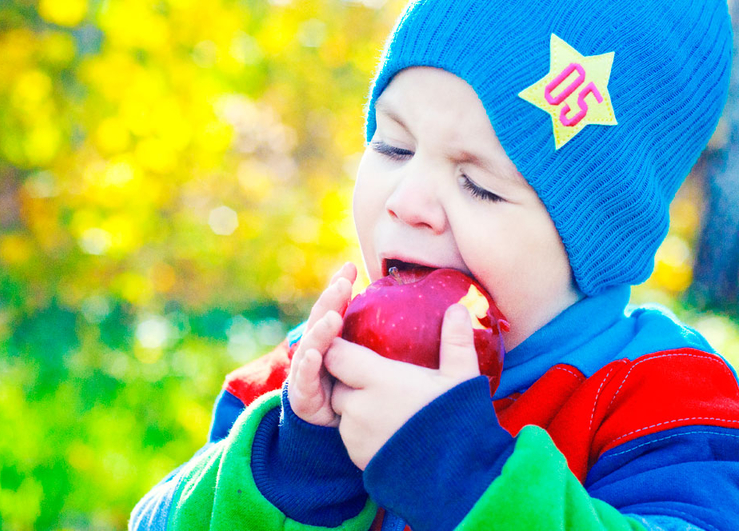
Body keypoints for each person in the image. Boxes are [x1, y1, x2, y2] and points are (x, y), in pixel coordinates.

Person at [130, 0, 739, 529]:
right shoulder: (306, 379)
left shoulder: (665, 400)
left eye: (480, 185)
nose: (408, 202)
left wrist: (463, 478)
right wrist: (297, 468)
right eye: (393, 146)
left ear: (596, 240)